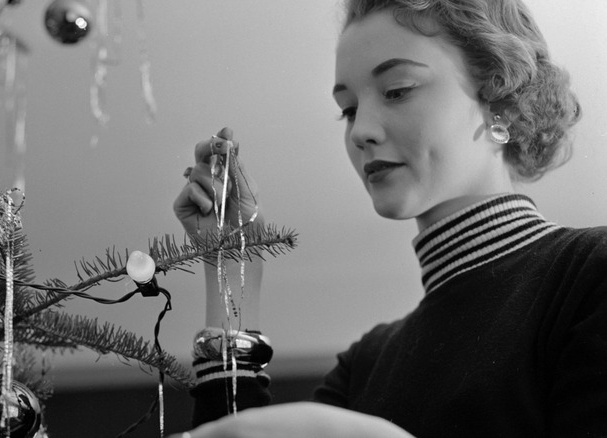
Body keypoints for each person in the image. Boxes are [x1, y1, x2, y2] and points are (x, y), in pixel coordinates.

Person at [171, 0, 606, 436]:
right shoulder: (365, 366)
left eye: (397, 90)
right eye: (349, 109)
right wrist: (231, 273)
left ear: (502, 102)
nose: (360, 131)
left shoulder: (591, 274)